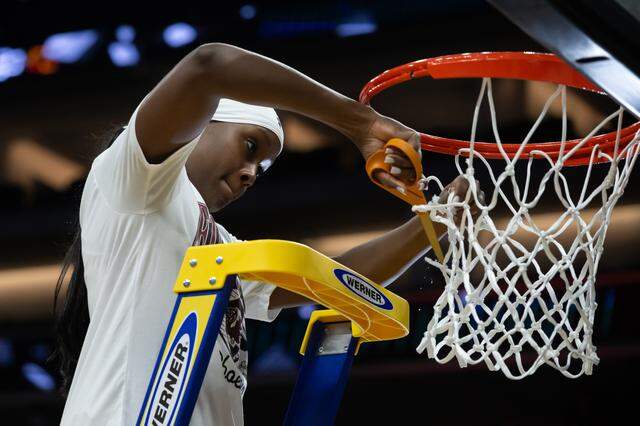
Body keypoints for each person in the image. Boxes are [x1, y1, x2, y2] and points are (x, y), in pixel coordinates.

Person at [54, 43, 473, 425]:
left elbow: (329, 280)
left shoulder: (215, 246)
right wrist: (359, 123)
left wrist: (433, 225)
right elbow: (210, 65)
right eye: (251, 147)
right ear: (201, 124)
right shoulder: (134, 178)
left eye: (263, 168)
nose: (252, 173)